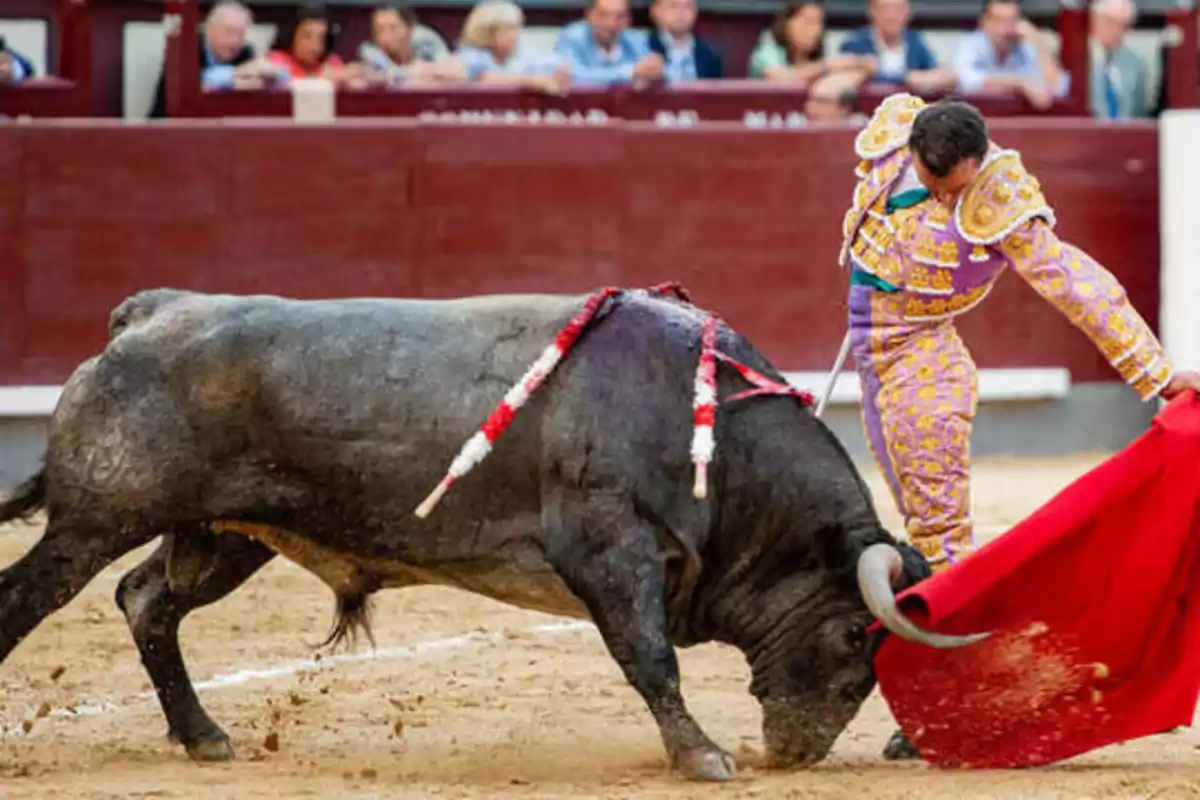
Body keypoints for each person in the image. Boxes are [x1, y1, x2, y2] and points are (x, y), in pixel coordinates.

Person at [839, 96, 1200, 759]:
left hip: (923, 360)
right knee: (915, 525)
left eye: (956, 188)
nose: (948, 199)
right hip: (871, 352)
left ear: (976, 163)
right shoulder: (897, 132)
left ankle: (953, 702)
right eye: (935, 183)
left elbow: (1076, 283)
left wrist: (1156, 370)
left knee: (941, 539)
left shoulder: (1002, 201)